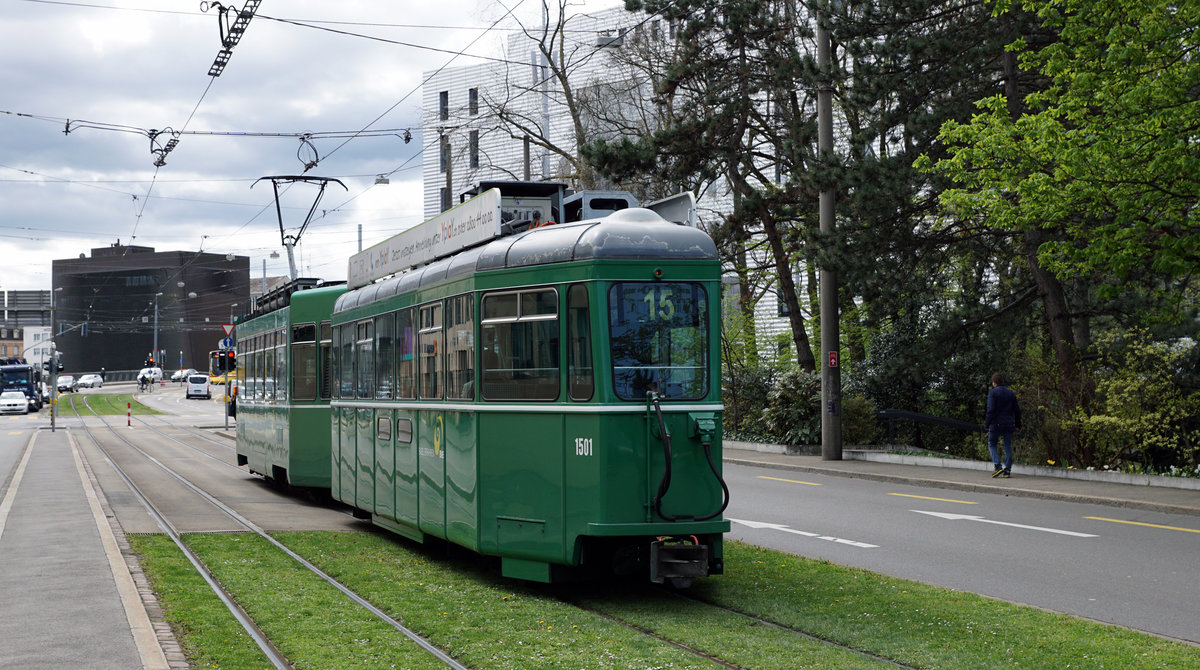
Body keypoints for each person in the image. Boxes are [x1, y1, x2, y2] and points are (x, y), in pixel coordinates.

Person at [985, 372, 1021, 478]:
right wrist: (1018, 424)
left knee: (992, 444)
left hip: (996, 423)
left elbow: (990, 410)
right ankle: (1008, 470)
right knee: (1007, 446)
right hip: (1009, 424)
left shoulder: (993, 393)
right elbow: (1017, 411)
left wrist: (987, 424)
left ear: (994, 382)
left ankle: (998, 466)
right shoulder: (1011, 393)